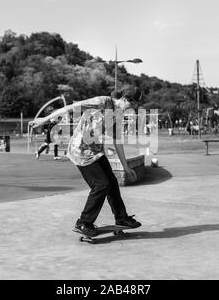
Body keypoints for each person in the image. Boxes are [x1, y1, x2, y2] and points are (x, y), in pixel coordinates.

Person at [30, 86, 142, 236]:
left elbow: (117, 141)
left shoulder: (118, 115)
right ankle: (83, 222)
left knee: (112, 183)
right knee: (101, 185)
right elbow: (71, 107)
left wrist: (126, 168)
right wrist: (44, 119)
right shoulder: (102, 102)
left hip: (96, 152)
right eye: (131, 104)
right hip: (80, 151)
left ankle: (121, 218)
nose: (131, 108)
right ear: (125, 98)